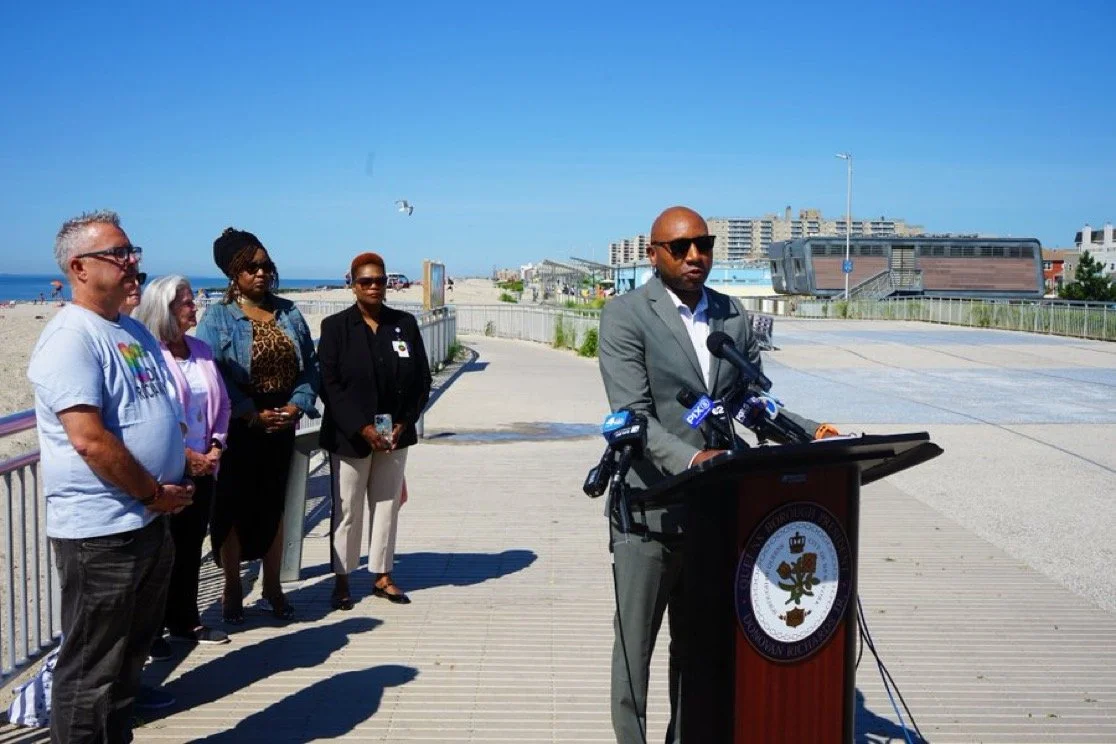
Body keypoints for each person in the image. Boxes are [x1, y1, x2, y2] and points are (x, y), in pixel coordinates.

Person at [597, 206, 824, 743]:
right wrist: (692, 459)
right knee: (635, 648)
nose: (696, 255)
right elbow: (633, 416)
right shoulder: (626, 315)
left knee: (697, 647)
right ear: (653, 255)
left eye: (704, 243)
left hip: (714, 509)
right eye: (681, 247)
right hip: (650, 510)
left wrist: (814, 433)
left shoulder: (730, 315)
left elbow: (747, 400)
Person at [27, 210, 194, 743]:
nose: (132, 262)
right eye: (118, 253)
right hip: (102, 531)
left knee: (130, 662)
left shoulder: (130, 331)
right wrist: (153, 492)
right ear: (79, 267)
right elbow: (89, 439)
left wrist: (176, 470)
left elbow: (157, 411)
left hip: (149, 520)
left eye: (132, 251)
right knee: (90, 669)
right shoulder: (70, 338)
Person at [196, 227, 319, 624]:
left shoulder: (288, 312)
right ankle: (232, 587)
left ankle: (272, 586)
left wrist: (298, 405)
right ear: (233, 273)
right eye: (250, 268)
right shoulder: (217, 317)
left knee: (273, 504)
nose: (261, 273)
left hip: (282, 419)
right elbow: (212, 372)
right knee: (232, 507)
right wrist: (249, 410)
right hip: (238, 422)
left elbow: (309, 366)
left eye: (265, 266)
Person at [318, 252, 432, 610]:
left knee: (387, 506)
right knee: (348, 508)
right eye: (365, 281)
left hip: (394, 436)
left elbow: (422, 380)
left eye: (379, 281)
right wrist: (362, 427)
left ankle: (382, 575)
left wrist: (404, 422)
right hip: (349, 437)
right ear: (352, 284)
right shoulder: (335, 327)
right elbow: (330, 385)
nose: (373, 287)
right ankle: (342, 578)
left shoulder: (404, 324)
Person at [134, 275, 231, 645]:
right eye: (187, 302)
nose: (195, 307)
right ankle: (151, 630)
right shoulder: (149, 356)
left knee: (191, 546)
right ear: (166, 309)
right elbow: (152, 413)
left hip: (206, 464)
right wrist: (186, 455)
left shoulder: (201, 350)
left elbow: (222, 405)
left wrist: (216, 447)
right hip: (168, 468)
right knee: (160, 553)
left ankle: (185, 620)